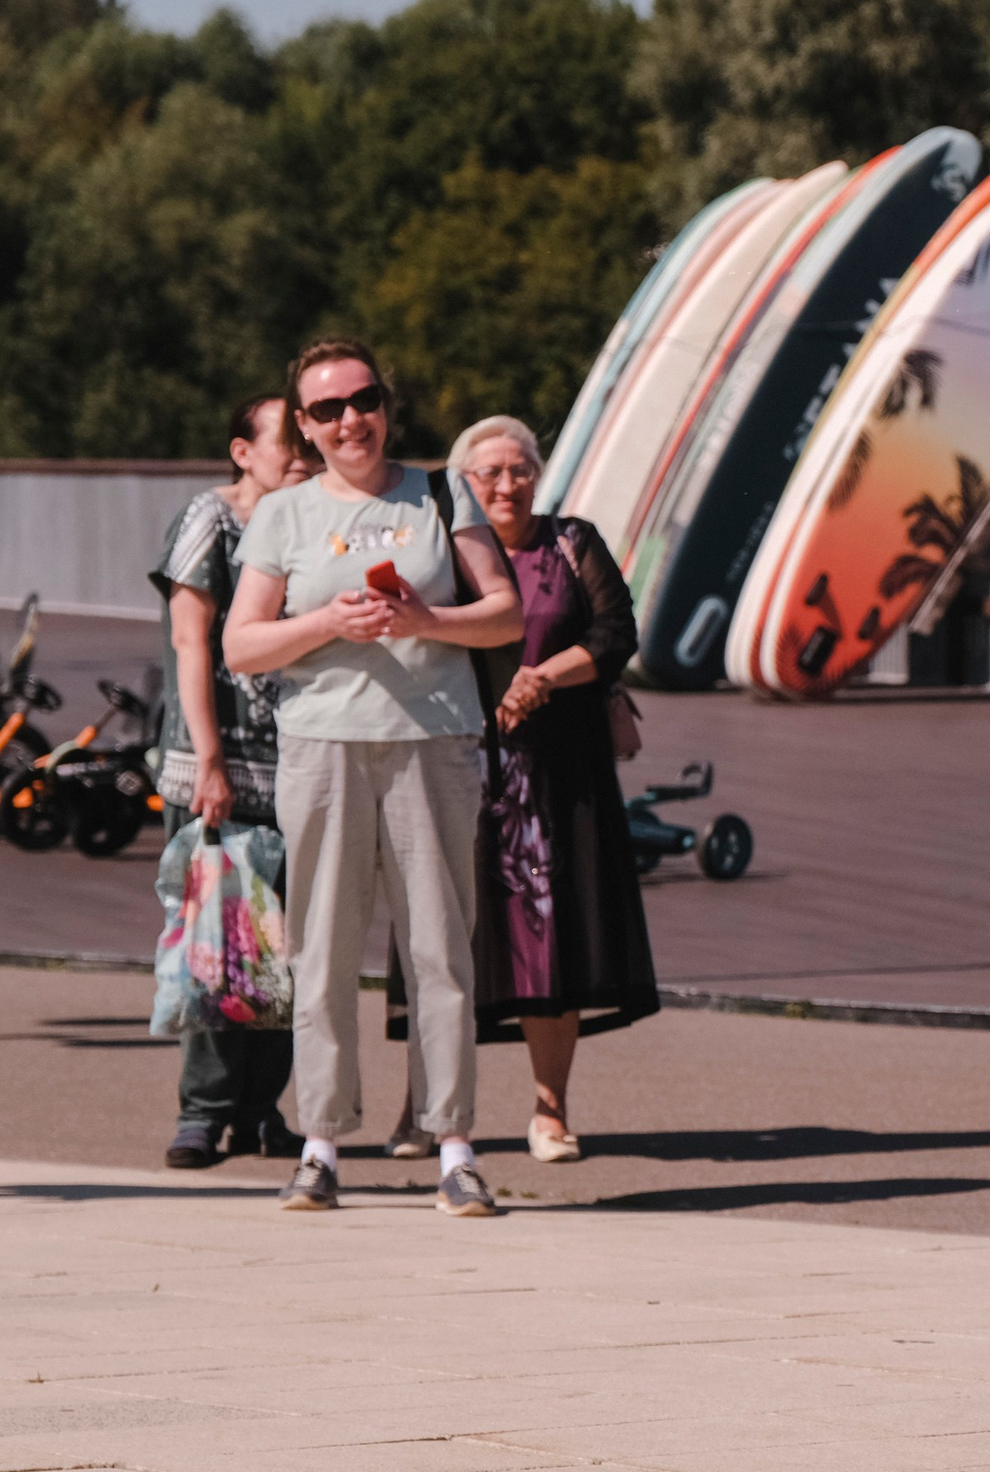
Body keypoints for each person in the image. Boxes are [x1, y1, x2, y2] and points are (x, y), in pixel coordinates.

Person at [224, 338, 523, 1218]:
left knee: (441, 945)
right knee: (322, 945)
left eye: (364, 399)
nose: (350, 419)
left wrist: (425, 617)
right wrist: (324, 621)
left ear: (385, 404)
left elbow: (503, 613)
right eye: (326, 409)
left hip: (431, 741)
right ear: (305, 427)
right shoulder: (283, 515)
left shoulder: (440, 492)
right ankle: (319, 1143)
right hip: (321, 745)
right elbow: (242, 643)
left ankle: (455, 1143)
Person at [420, 415, 659, 1163]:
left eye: (518, 468)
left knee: (550, 944)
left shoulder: (571, 541)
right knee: (441, 930)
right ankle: (422, 1109)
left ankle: (549, 1109)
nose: (505, 484)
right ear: (464, 481)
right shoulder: (441, 553)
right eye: (488, 472)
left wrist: (540, 678)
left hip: (559, 774)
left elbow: (616, 631)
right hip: (461, 764)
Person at [152, 395, 313, 1169]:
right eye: (287, 438)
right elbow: (191, 641)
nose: (302, 451)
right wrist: (210, 758)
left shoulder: (314, 519)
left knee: (282, 952)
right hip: (220, 766)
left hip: (298, 765)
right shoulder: (211, 519)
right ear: (242, 451)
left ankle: (260, 1109)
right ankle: (203, 1112)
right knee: (221, 945)